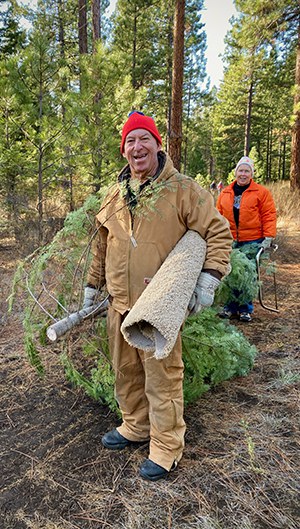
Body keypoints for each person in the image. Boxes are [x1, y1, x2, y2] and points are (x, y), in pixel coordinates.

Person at [83, 111, 232, 481]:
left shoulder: (182, 189)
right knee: (126, 372)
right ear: (124, 151)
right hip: (119, 304)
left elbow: (218, 232)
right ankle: (135, 425)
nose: (137, 147)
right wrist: (92, 285)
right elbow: (103, 244)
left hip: (157, 307)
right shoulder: (116, 194)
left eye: (144, 139)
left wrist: (208, 279)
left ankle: (166, 447)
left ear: (157, 144)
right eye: (130, 141)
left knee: (163, 377)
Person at [216, 155, 277, 322]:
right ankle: (229, 307)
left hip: (253, 239)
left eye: (247, 171)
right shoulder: (225, 192)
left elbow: (269, 214)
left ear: (252, 174)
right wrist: (215, 235)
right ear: (235, 173)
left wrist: (268, 236)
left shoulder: (261, 192)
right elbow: (218, 216)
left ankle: (245, 309)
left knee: (248, 274)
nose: (243, 174)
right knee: (230, 272)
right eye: (240, 170)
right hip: (230, 239)